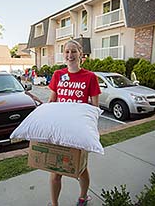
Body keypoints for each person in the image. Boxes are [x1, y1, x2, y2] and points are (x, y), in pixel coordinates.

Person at [47, 39, 101, 206]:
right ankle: (55, 204)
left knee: (81, 168)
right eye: (67, 52)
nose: (70, 55)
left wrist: (89, 131)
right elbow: (52, 101)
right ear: (64, 55)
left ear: (80, 54)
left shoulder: (90, 77)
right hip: (60, 129)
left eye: (73, 51)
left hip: (78, 130)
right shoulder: (58, 75)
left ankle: (83, 197)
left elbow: (95, 107)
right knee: (56, 171)